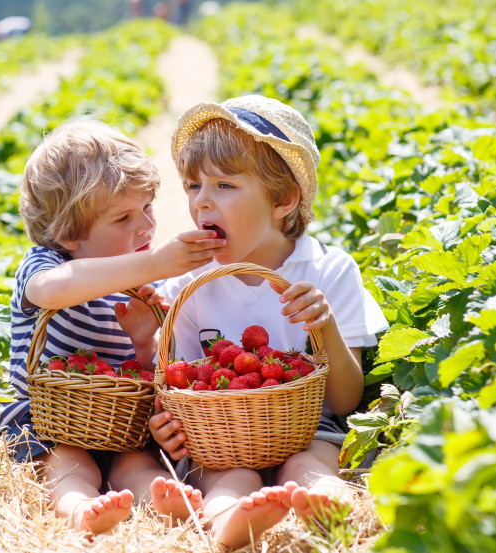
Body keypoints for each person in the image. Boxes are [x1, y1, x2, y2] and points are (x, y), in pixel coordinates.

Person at [148, 95, 389, 549]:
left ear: (283, 199)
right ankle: (226, 520)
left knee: (313, 463)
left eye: (225, 186)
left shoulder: (328, 272)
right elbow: (176, 386)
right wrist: (167, 421)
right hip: (221, 438)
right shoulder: (190, 286)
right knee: (227, 476)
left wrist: (325, 327)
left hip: (309, 429)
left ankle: (329, 503)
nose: (202, 201)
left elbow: (344, 401)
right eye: (193, 185)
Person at [0, 119, 226, 534]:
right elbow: (50, 291)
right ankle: (79, 506)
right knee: (67, 461)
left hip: (117, 426)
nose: (146, 227)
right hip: (49, 421)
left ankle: (163, 500)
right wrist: (152, 263)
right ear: (68, 234)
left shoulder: (140, 285)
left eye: (148, 207)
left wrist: (142, 340)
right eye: (122, 219)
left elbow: (142, 372)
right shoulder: (47, 265)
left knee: (136, 462)